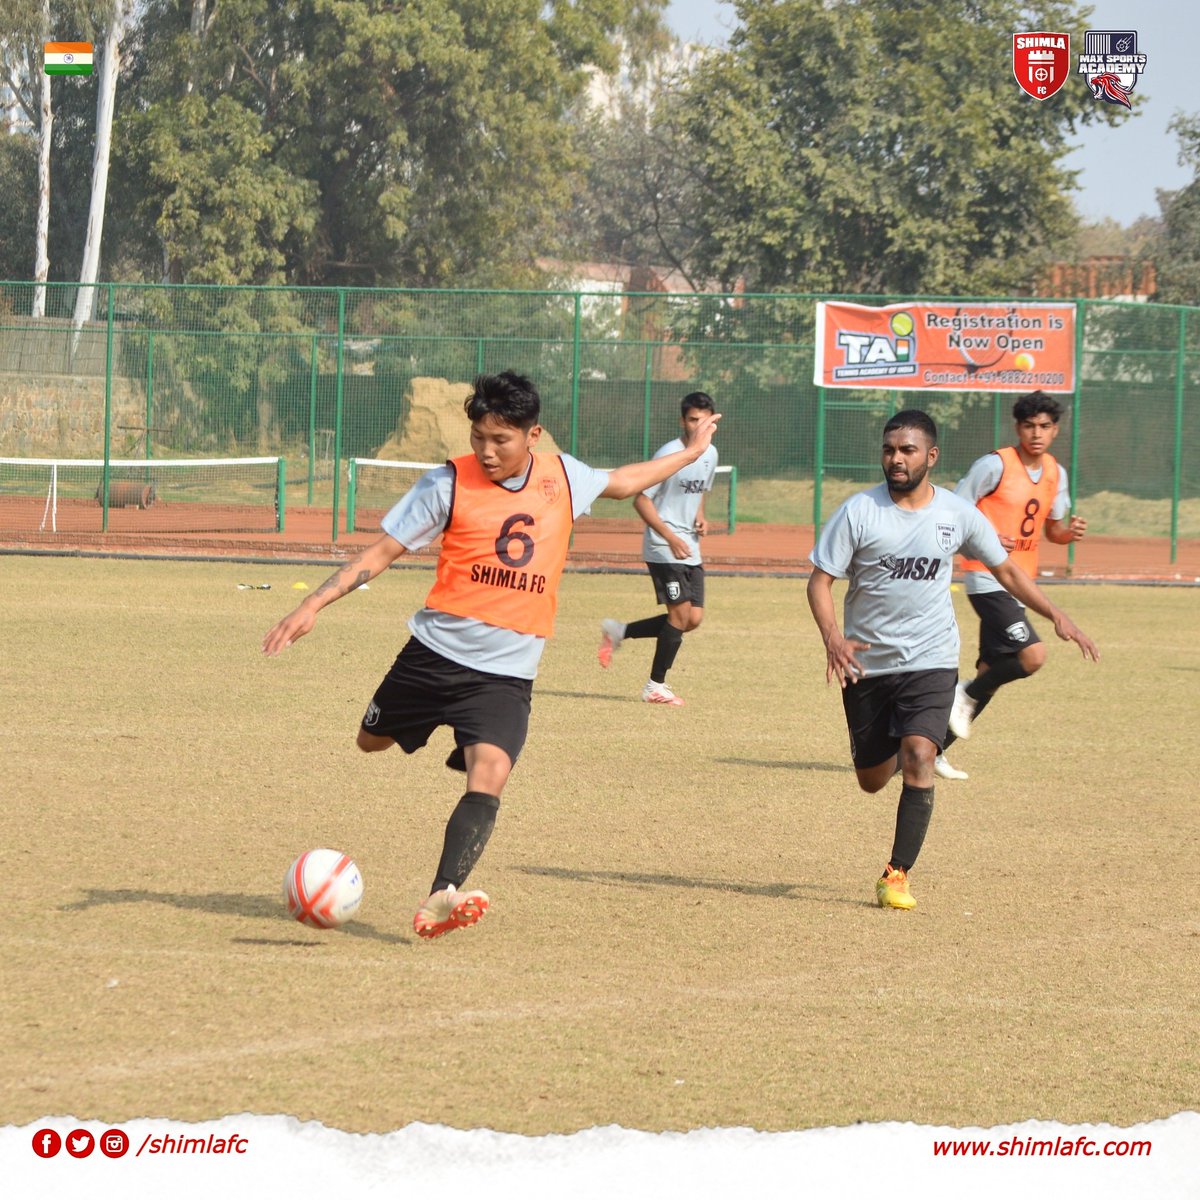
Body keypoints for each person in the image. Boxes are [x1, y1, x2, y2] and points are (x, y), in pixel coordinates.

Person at [262, 371, 720, 939]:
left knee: (490, 773)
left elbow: (627, 482)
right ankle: (446, 732)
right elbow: (382, 551)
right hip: (432, 656)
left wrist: (695, 451)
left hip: (506, 673)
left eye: (500, 439)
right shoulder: (447, 483)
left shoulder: (563, 475)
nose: (487, 450)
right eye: (479, 436)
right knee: (371, 741)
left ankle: (442, 895)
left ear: (534, 435)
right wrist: (312, 605)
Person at [806, 410, 1097, 911]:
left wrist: (1055, 614)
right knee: (872, 780)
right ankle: (898, 744)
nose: (896, 459)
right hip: (869, 665)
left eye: (908, 450)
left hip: (932, 657)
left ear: (931, 456)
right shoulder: (858, 512)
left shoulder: (956, 515)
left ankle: (896, 874)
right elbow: (819, 582)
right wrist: (833, 637)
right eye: (889, 449)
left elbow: (1005, 569)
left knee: (920, 754)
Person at [939, 392, 1087, 775]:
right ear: (1017, 427)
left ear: (1055, 430)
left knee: (992, 668)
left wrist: (1067, 533)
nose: (1036, 433)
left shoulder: (1056, 472)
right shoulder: (995, 465)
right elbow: (955, 508)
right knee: (1032, 656)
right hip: (985, 576)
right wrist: (984, 534)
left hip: (1019, 582)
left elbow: (1052, 530)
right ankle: (963, 692)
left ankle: (932, 752)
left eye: (1044, 426)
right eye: (1028, 426)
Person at [597, 391, 719, 706]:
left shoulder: (711, 453)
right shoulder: (670, 453)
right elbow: (641, 498)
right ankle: (655, 686)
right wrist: (670, 536)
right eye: (693, 419)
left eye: (704, 420)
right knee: (679, 615)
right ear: (683, 421)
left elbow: (700, 491)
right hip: (664, 546)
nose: (698, 426)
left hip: (688, 545)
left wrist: (700, 517)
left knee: (693, 618)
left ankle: (619, 631)